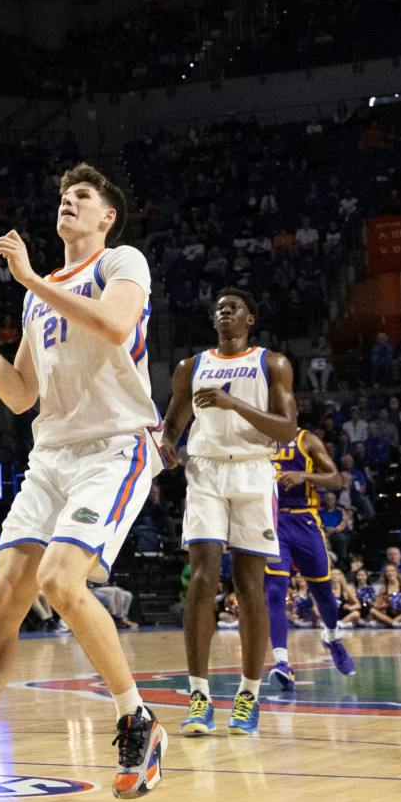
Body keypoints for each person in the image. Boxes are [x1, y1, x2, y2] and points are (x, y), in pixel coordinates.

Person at [0, 164, 166, 802]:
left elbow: (116, 326)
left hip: (114, 447)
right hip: (51, 457)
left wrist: (30, 278)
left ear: (106, 218)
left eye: (83, 199)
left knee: (60, 582)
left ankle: (137, 722)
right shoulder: (36, 296)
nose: (68, 204)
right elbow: (19, 396)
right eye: (63, 197)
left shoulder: (122, 261)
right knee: (6, 594)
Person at [162, 288, 297, 740]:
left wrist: (233, 402)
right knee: (202, 576)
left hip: (254, 473)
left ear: (250, 319)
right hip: (205, 473)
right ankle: (199, 694)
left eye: (234, 306)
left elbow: (287, 429)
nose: (225, 311)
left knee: (249, 584)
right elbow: (173, 425)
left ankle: (248, 695)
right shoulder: (190, 367)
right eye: (219, 308)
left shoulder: (272, 363)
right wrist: (166, 448)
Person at [262, 424, 355, 690]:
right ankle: (282, 662)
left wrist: (304, 475)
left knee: (322, 591)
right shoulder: (258, 438)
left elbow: (336, 479)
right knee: (275, 590)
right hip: (272, 521)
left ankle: (333, 638)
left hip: (305, 520)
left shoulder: (306, 440)